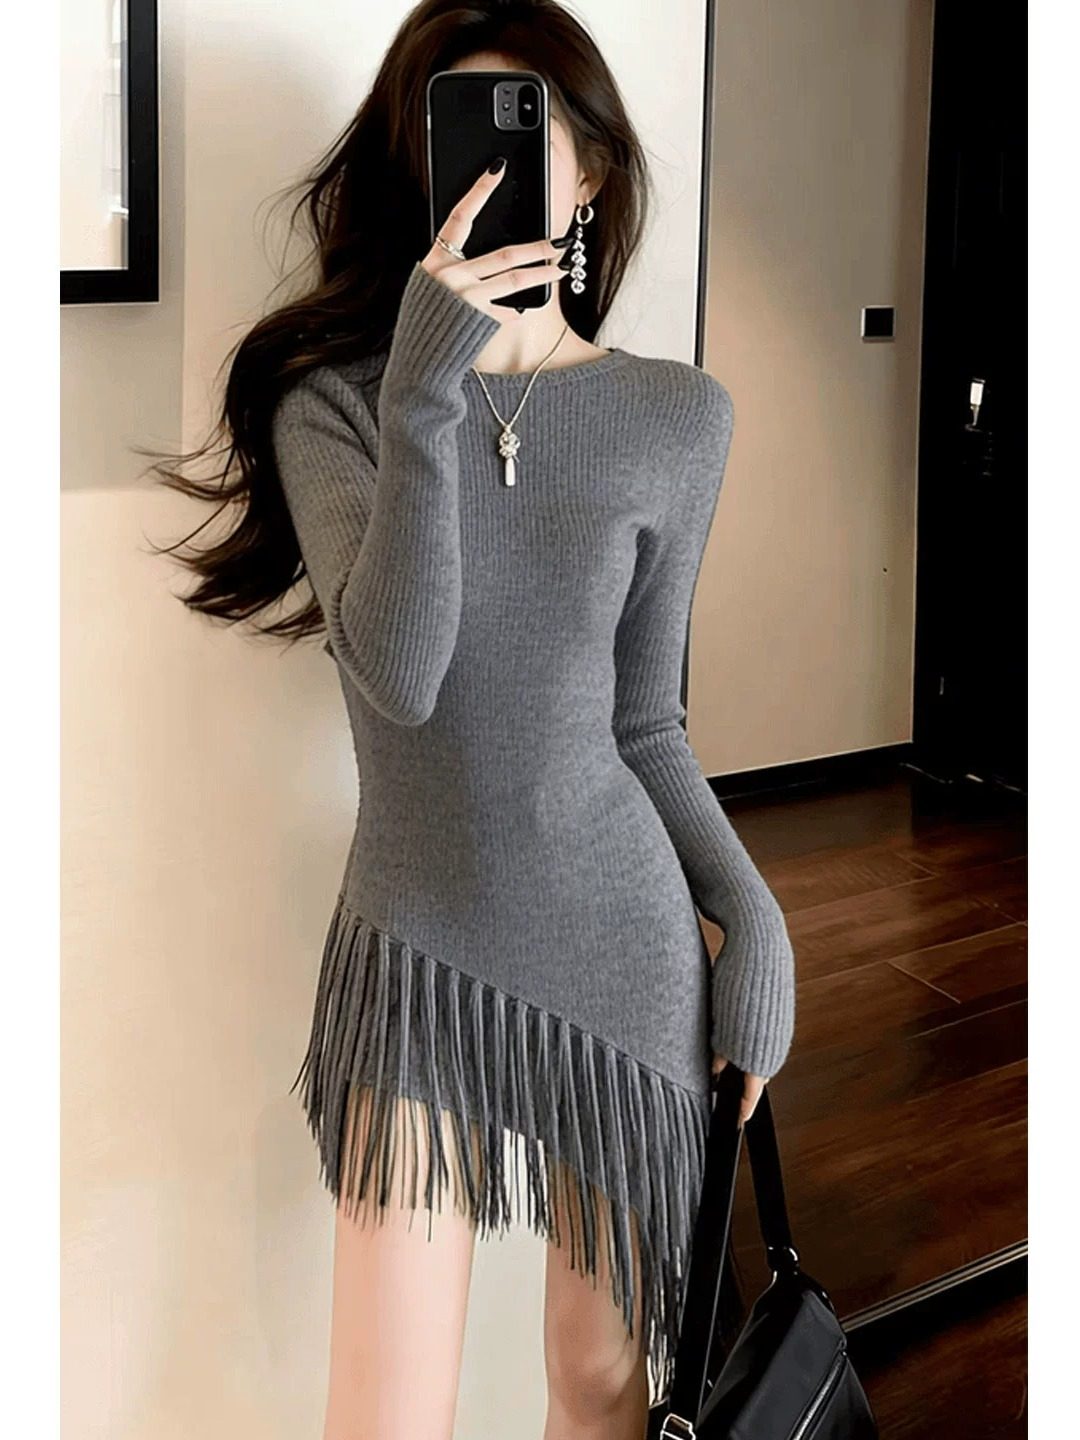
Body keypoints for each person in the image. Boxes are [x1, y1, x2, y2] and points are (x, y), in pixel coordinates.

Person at [149, 3, 795, 1436]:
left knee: (599, 1384)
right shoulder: (335, 404)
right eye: (460, 136)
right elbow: (401, 673)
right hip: (419, 942)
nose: (498, 170)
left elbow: (646, 723)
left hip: (624, 946)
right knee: (385, 1411)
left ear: (594, 172)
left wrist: (752, 916)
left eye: (533, 133)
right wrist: (427, 387)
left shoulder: (679, 417)